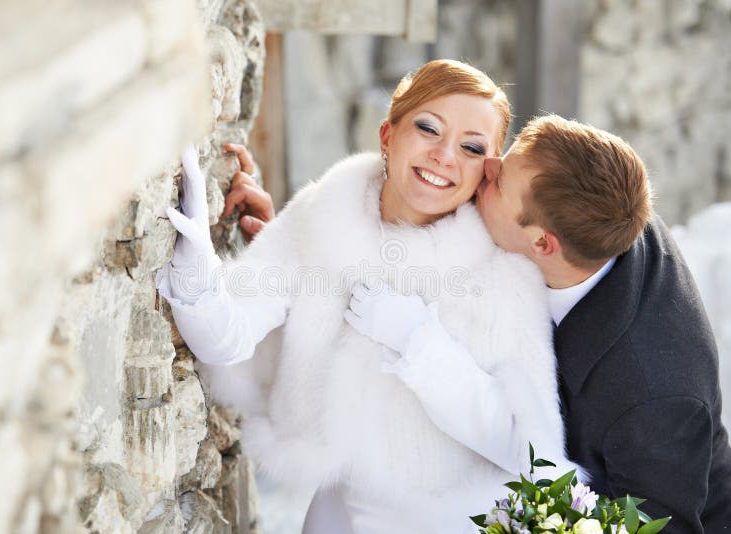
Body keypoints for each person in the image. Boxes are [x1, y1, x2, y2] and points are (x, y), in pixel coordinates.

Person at [237, 114, 731, 531]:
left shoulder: (655, 393)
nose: (485, 167)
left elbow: (654, 524)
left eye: (497, 180)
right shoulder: (593, 204)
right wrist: (293, 240)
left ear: (542, 244)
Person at [156, 60, 581, 534]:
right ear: (387, 135)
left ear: (486, 170)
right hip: (339, 519)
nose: (444, 156)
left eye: (471, 147)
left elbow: (532, 453)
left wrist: (421, 344)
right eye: (428, 128)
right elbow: (227, 339)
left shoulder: (504, 273)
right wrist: (195, 270)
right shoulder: (321, 218)